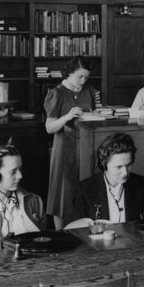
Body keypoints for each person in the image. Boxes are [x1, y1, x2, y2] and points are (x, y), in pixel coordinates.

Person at [44, 56, 97, 229]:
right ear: (69, 74)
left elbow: (93, 115)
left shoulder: (89, 91)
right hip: (64, 148)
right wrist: (67, 116)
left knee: (85, 188)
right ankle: (60, 233)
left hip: (86, 146)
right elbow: (50, 128)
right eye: (79, 77)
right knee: (62, 193)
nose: (83, 81)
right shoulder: (57, 93)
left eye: (86, 77)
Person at [72, 133, 144, 223]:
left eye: (129, 165)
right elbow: (79, 231)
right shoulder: (83, 189)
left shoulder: (143, 185)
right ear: (104, 165)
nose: (125, 172)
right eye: (118, 167)